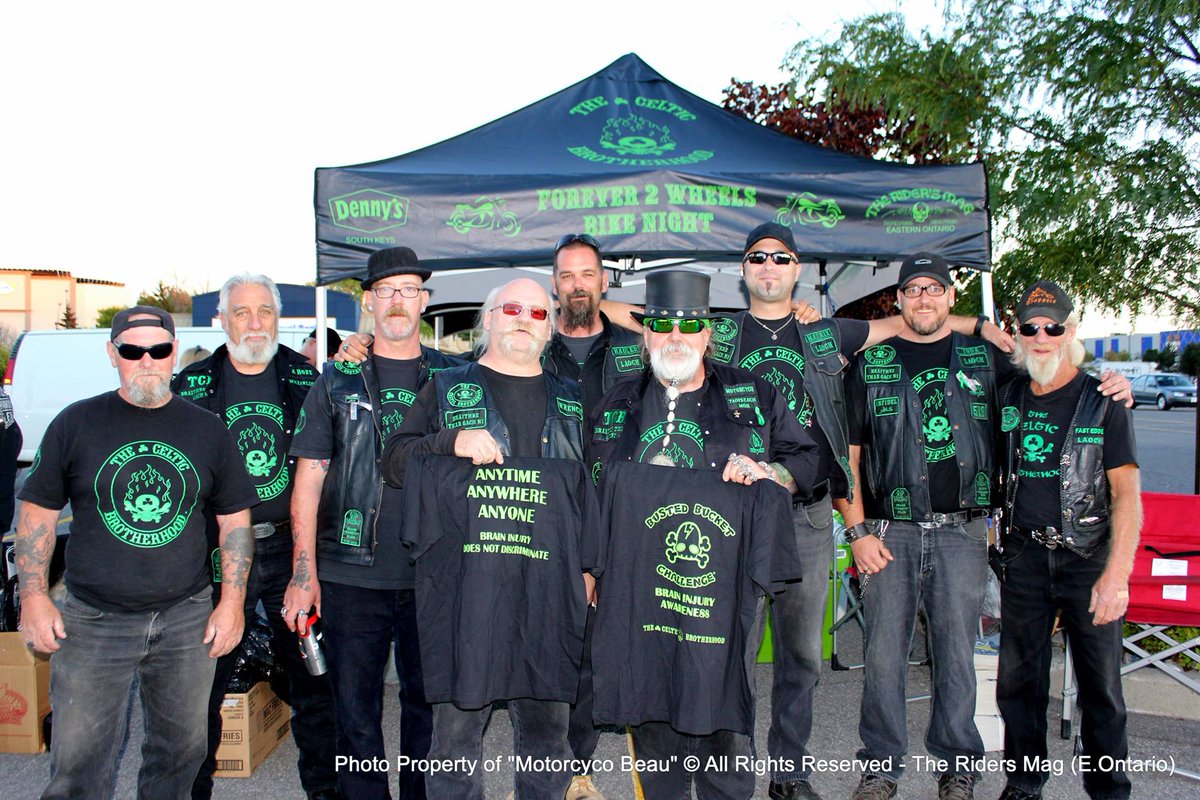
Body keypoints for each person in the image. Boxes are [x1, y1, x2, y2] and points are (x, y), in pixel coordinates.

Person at [709, 224, 1018, 800]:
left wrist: (982, 325)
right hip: (736, 515)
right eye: (757, 257)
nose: (769, 266)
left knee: (803, 658)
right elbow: (645, 323)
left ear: (797, 267)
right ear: (743, 268)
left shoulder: (830, 333)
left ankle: (789, 773)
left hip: (806, 513)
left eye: (780, 257)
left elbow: (915, 323)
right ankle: (734, 773)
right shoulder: (717, 332)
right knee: (736, 652)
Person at [585, 269, 820, 800]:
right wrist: (590, 568)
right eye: (663, 325)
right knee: (653, 701)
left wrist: (770, 474)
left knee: (722, 704)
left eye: (689, 325)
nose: (676, 336)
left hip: (727, 585)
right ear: (644, 335)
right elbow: (589, 494)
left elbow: (809, 458)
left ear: (707, 334)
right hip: (641, 583)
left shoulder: (754, 393)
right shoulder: (614, 404)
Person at [15, 305, 258, 800]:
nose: (147, 360)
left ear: (173, 355)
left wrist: (231, 603)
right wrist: (34, 598)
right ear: (112, 354)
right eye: (132, 350)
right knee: (78, 767)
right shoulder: (76, 422)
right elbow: (37, 513)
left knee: (181, 758)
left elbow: (234, 519)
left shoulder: (207, 429)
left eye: (160, 349)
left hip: (186, 620)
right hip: (92, 623)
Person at [382, 277, 592, 800]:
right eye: (512, 308)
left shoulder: (573, 400)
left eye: (538, 313)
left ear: (551, 331)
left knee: (548, 737)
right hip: (465, 592)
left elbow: (594, 495)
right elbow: (395, 462)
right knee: (454, 741)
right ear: (489, 319)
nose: (524, 319)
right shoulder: (448, 388)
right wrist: (451, 440)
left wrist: (590, 571)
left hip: (548, 592)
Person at [284, 246, 462, 800]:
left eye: (409, 289)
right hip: (349, 575)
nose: (398, 301)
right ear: (369, 301)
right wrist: (302, 573)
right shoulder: (336, 382)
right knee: (354, 715)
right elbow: (309, 480)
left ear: (424, 301)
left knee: (425, 709)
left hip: (433, 572)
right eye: (387, 290)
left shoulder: (457, 377)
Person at [172, 275, 339, 800]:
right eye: (241, 312)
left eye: (264, 311)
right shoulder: (191, 385)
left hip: (292, 549)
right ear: (222, 320)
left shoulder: (305, 376)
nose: (253, 322)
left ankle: (325, 791)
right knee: (204, 687)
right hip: (218, 554)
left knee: (314, 682)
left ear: (278, 316)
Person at [994, 281, 1140, 800]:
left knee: (1101, 688)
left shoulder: (1104, 400)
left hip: (1087, 559)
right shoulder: (1006, 393)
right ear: (1017, 333)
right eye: (1030, 327)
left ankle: (1108, 790)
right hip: (1025, 558)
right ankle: (1024, 782)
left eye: (1053, 327)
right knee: (1019, 684)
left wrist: (1116, 575)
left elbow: (1127, 495)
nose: (1041, 337)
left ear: (1072, 331)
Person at [542, 232, 642, 800]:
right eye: (567, 275)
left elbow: (703, 337)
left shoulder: (639, 346)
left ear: (604, 280)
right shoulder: (531, 345)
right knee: (564, 649)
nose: (577, 285)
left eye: (588, 274)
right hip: (551, 520)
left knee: (625, 641)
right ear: (554, 283)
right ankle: (569, 771)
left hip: (624, 517)